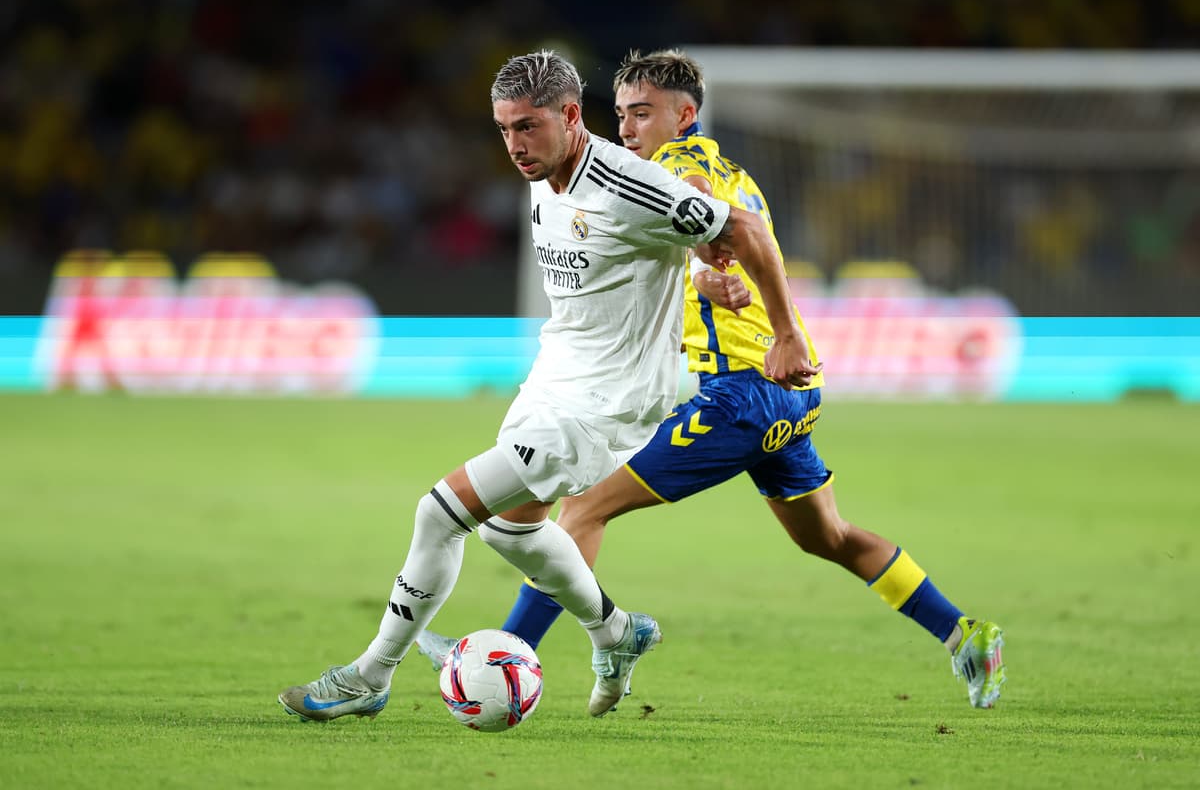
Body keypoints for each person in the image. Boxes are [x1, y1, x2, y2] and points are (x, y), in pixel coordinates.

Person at [418, 49, 1006, 710]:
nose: (629, 128)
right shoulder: (730, 169)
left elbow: (708, 216)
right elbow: (707, 239)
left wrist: (771, 322)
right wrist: (709, 276)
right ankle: (964, 634)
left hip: (743, 393)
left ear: (685, 114)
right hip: (789, 393)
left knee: (583, 506)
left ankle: (505, 649)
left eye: (643, 113)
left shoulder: (674, 168)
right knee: (827, 537)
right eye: (622, 115)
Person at [278, 49, 821, 722]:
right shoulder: (542, 174)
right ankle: (618, 633)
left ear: (570, 115)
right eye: (504, 129)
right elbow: (680, 244)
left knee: (438, 513)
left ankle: (370, 675)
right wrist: (699, 264)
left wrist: (785, 333)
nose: (515, 145)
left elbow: (743, 227)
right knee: (510, 531)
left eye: (528, 126)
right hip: (555, 375)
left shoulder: (628, 181)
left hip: (606, 401)